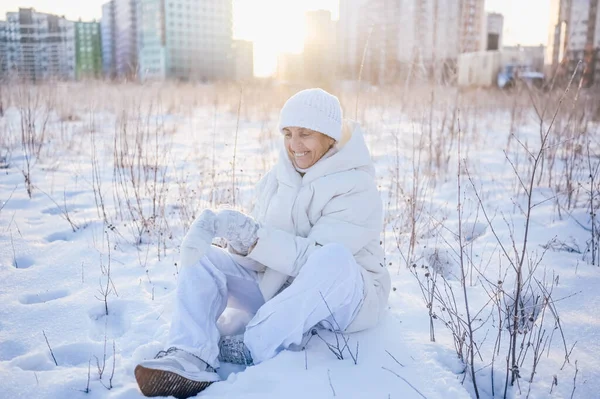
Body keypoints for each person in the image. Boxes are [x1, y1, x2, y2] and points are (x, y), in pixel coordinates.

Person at [134, 88, 391, 398]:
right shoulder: (277, 179)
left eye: (305, 134)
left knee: (333, 258)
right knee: (206, 258)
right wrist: (239, 239)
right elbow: (262, 258)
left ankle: (254, 346)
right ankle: (190, 353)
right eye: (288, 133)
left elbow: (313, 260)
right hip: (281, 289)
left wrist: (255, 237)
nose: (294, 145)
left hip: (345, 298)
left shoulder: (357, 186)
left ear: (329, 137)